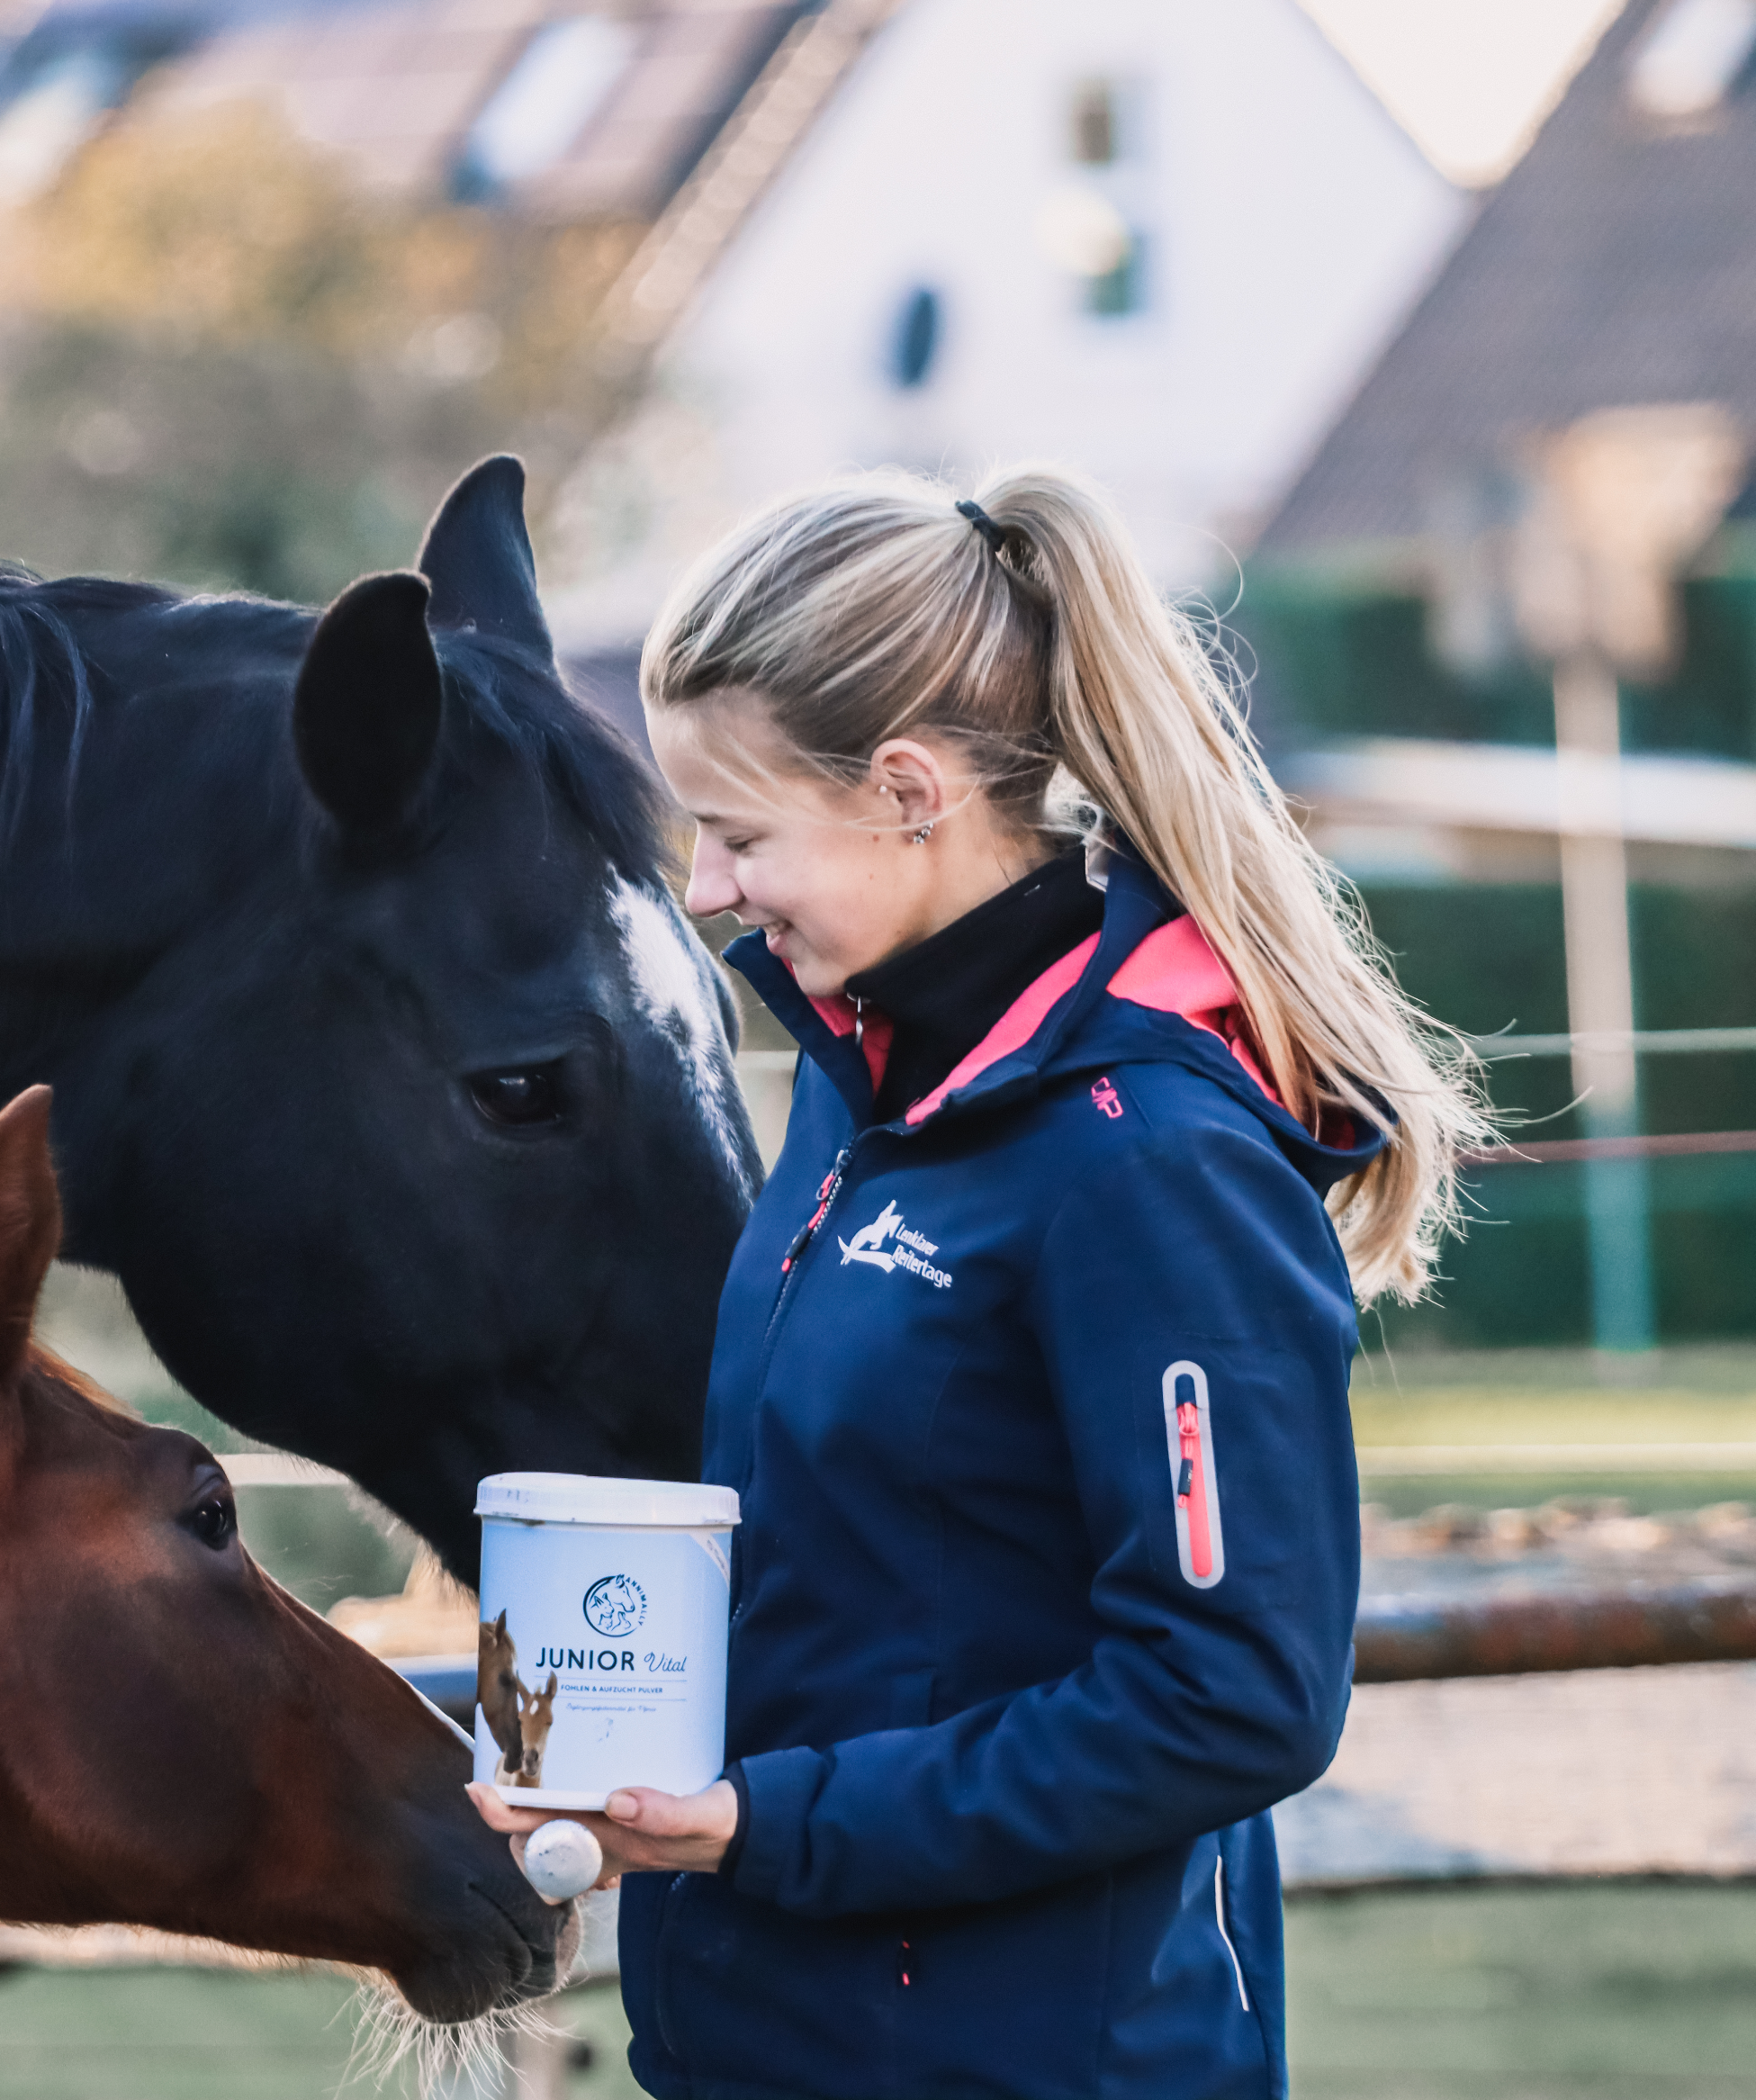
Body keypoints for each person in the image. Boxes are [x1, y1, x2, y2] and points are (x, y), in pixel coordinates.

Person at [472, 467, 1485, 2098]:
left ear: (908, 789)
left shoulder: (1151, 1162)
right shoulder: (852, 1087)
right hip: (756, 2041)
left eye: (736, 834)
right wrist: (590, 1724)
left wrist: (766, 1825)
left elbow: (1230, 1699)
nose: (709, 889)